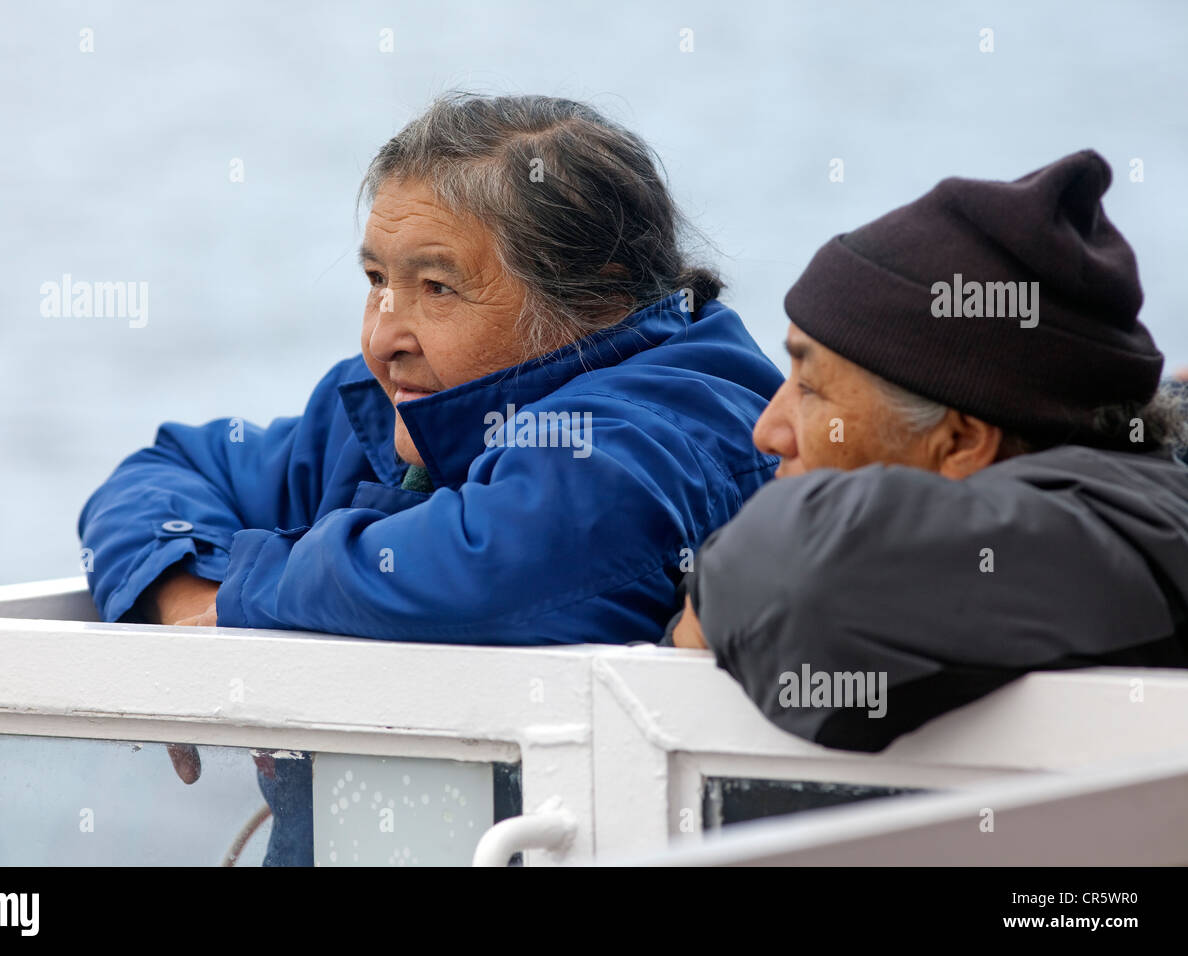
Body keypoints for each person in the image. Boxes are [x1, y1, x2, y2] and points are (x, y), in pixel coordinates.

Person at [78, 93, 784, 864]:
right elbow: (162, 474)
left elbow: (489, 562)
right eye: (378, 278)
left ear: (594, 300)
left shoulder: (660, 432)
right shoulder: (391, 409)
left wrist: (248, 603)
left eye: (436, 288)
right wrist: (190, 603)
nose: (383, 337)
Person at [668, 150, 1188, 753]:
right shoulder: (1131, 506)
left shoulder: (1112, 539)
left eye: (811, 390)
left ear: (962, 442)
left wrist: (709, 603)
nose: (768, 431)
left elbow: (804, 582)